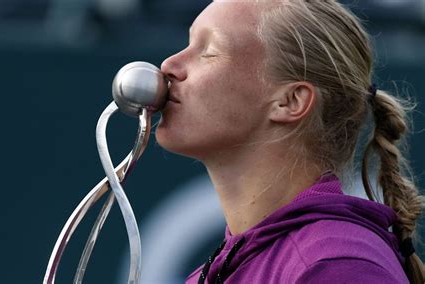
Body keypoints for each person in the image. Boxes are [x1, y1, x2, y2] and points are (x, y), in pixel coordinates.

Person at [155, 0, 424, 283]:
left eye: (208, 52)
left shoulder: (335, 266)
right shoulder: (219, 271)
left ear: (290, 101)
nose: (169, 65)